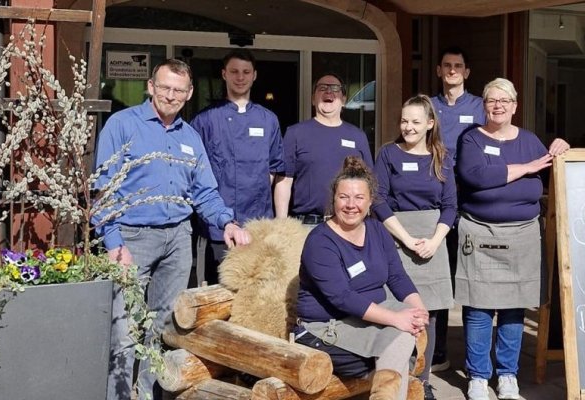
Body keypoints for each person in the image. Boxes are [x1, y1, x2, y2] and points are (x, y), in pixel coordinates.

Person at [93, 59, 252, 400]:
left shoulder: (191, 137)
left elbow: (204, 192)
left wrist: (226, 222)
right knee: (123, 329)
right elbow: (101, 191)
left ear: (189, 94)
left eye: (179, 90)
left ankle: (148, 395)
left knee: (163, 327)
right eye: (164, 87)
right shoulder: (122, 126)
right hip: (131, 239)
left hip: (177, 239)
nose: (171, 95)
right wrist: (112, 241)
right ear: (150, 86)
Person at [454, 78, 569, 400]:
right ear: (484, 105)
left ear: (515, 106)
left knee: (513, 309)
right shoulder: (472, 139)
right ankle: (478, 377)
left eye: (505, 100)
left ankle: (507, 377)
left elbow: (551, 173)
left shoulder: (530, 140)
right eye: (492, 100)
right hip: (478, 232)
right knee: (477, 308)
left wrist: (560, 148)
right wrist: (526, 168)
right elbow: (476, 176)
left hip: (523, 235)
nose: (498, 105)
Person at [294, 156, 430, 400]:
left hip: (367, 317)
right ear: (333, 199)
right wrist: (395, 319)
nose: (350, 205)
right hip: (325, 327)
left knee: (407, 329)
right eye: (343, 197)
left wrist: (419, 310)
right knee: (399, 336)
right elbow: (341, 297)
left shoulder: (377, 230)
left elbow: (397, 276)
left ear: (370, 202)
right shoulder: (320, 242)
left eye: (359, 198)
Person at [372, 94, 456, 399]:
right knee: (396, 311)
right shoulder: (388, 154)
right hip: (396, 238)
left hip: (432, 241)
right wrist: (406, 239)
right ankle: (397, 377)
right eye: (404, 120)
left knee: (428, 316)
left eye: (415, 122)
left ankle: (423, 380)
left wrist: (434, 241)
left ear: (430, 124)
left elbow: (450, 206)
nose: (408, 127)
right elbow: (378, 199)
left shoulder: (442, 157)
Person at [190, 49, 284, 285]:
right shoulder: (205, 120)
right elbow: (194, 172)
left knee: (257, 290)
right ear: (224, 74)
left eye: (245, 72)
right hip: (217, 228)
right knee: (216, 292)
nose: (240, 77)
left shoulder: (268, 120)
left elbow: (275, 168)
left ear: (254, 76)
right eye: (234, 72)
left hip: (258, 223)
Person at [430, 46, 486, 373]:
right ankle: (437, 352)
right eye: (447, 65)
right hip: (435, 205)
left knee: (469, 281)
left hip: (470, 205)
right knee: (438, 279)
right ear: (439, 70)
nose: (452, 70)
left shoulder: (480, 107)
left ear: (466, 72)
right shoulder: (429, 106)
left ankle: (476, 361)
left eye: (458, 66)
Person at [275, 73, 374, 225]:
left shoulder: (357, 136)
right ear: (312, 98)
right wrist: (281, 224)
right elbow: (284, 181)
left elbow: (369, 183)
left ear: (344, 99)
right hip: (307, 225)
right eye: (322, 88)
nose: (329, 92)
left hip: (348, 225)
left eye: (335, 88)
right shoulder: (295, 133)